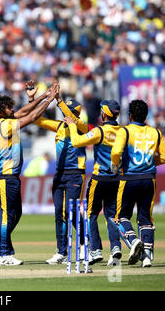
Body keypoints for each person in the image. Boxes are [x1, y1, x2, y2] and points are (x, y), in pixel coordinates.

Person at [0, 80, 58, 266]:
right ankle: (3, 254)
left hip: (8, 175)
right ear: (1, 111)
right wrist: (49, 100)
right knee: (9, 215)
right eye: (9, 108)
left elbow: (24, 111)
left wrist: (37, 97)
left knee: (15, 214)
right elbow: (31, 117)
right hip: (5, 174)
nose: (12, 111)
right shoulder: (5, 125)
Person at [111, 99, 165, 267]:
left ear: (130, 115)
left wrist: (115, 166)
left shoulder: (125, 131)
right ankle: (147, 256)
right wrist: (149, 163)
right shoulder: (155, 132)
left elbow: (116, 152)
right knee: (145, 218)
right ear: (145, 116)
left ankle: (133, 240)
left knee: (120, 217)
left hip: (129, 178)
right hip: (149, 180)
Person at [63, 99, 123, 266]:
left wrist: (72, 125)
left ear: (104, 114)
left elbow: (76, 142)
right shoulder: (123, 131)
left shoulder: (99, 131)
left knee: (91, 214)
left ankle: (95, 250)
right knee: (112, 215)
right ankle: (115, 247)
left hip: (99, 178)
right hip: (116, 179)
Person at [35, 92, 88, 265]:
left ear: (76, 114)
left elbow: (73, 118)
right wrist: (33, 100)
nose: (66, 115)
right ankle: (61, 251)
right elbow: (38, 120)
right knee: (59, 213)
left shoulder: (81, 126)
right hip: (59, 173)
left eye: (70, 113)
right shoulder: (59, 126)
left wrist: (59, 100)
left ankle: (83, 246)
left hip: (75, 172)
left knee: (71, 211)